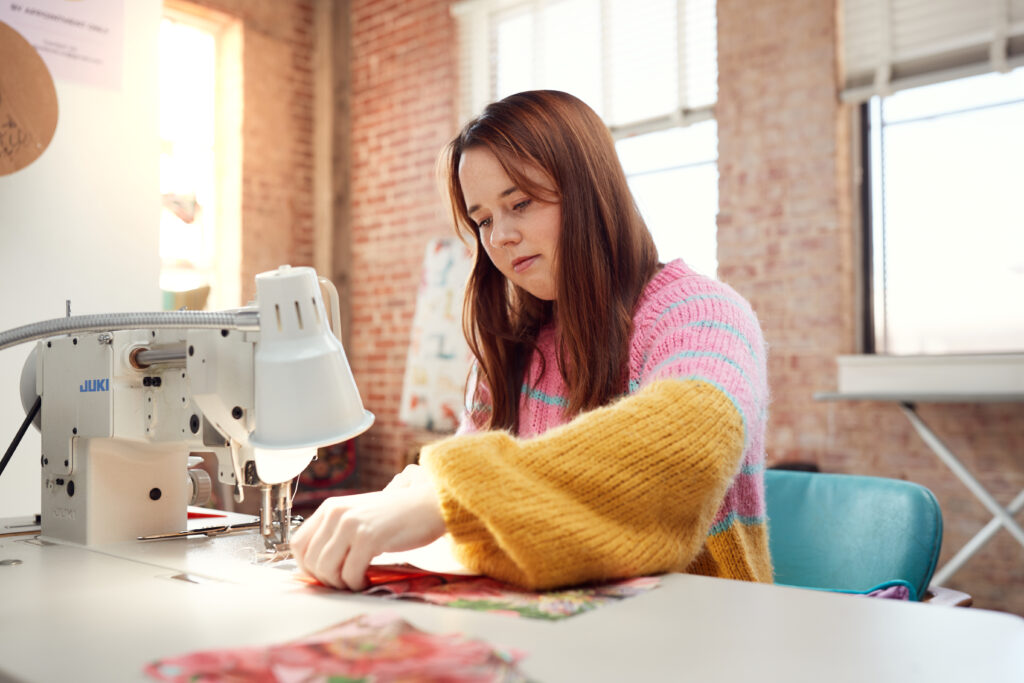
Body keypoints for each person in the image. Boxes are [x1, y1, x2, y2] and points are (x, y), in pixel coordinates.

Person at [291, 90, 772, 592]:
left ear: (590, 190)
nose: (498, 237)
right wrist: (410, 494)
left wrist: (451, 495)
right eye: (482, 220)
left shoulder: (704, 314)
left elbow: (687, 441)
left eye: (520, 203)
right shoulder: (511, 350)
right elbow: (459, 490)